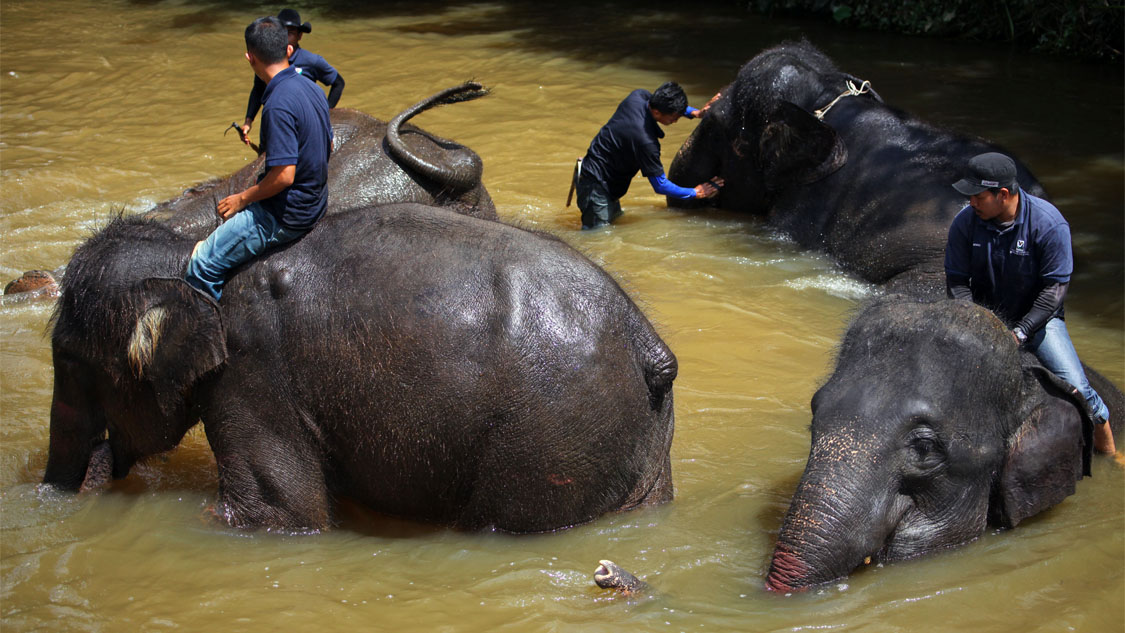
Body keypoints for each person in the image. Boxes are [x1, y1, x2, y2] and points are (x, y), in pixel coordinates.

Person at [944, 152, 1115, 454]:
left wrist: (1021, 332)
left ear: (1004, 194)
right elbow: (957, 280)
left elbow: (1054, 290)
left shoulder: (1048, 225)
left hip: (1037, 321)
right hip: (982, 315)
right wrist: (976, 321)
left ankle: (1110, 452)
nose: (971, 203)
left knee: (1077, 386)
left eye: (978, 197)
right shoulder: (966, 222)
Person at [185, 16, 333, 301]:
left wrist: (243, 198)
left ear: (249, 58)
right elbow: (329, 143)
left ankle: (206, 339)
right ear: (288, 50)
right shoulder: (313, 88)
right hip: (316, 201)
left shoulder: (277, 104)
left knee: (201, 265)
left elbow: (284, 175)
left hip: (285, 215)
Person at [576, 82, 722, 229]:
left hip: (601, 175)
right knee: (597, 235)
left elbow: (662, 103)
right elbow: (660, 185)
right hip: (596, 185)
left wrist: (695, 113)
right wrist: (695, 192)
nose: (676, 120)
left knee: (614, 222)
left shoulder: (637, 97)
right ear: (657, 113)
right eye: (674, 116)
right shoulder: (645, 141)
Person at [239, 8, 343, 142]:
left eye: (290, 33)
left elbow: (338, 83)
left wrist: (326, 113)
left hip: (300, 123)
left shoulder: (311, 61)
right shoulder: (266, 61)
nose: (285, 38)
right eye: (282, 33)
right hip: (274, 120)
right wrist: (248, 122)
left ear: (300, 35)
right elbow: (258, 90)